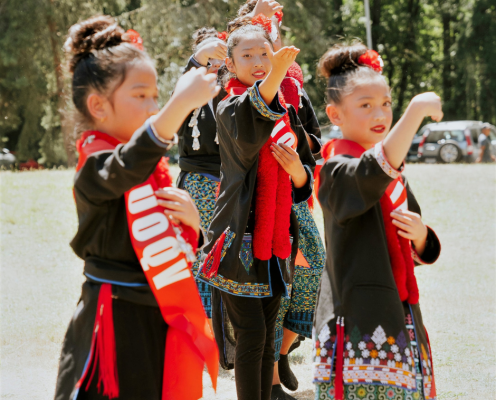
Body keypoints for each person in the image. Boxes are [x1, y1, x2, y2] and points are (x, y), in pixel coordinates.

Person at [54, 16, 220, 400]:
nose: (153, 106)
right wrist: (177, 108)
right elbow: (123, 167)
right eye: (140, 94)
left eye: (156, 96)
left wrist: (193, 225)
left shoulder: (151, 170)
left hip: (159, 318)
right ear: (98, 105)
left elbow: (175, 247)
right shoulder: (95, 166)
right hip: (114, 318)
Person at [312, 43, 442, 400]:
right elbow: (371, 171)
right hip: (358, 316)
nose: (380, 113)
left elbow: (407, 233)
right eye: (365, 105)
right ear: (335, 115)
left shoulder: (390, 171)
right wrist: (414, 113)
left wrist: (420, 237)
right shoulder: (336, 168)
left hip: (399, 311)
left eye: (386, 103)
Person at [196, 18, 315, 400]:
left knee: (267, 337)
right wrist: (277, 74)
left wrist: (298, 172)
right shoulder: (228, 106)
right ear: (230, 65)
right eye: (247, 55)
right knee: (252, 335)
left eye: (265, 52)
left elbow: (304, 172)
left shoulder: (285, 109)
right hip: (237, 241)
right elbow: (250, 127)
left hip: (278, 237)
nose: (259, 60)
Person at [235, 4, 326, 399]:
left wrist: (296, 155)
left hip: (294, 190)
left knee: (311, 263)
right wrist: (253, 13)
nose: (261, 56)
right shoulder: (235, 92)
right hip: (253, 204)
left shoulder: (293, 87)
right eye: (253, 48)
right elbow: (239, 43)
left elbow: (313, 146)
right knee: (271, 287)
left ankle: (284, 351)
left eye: (268, 43)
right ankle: (269, 378)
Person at [176, 27, 227, 322]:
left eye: (219, 57)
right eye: (208, 58)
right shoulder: (188, 91)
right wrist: (199, 60)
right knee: (201, 257)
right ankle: (202, 328)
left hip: (235, 182)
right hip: (199, 181)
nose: (213, 64)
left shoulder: (233, 88)